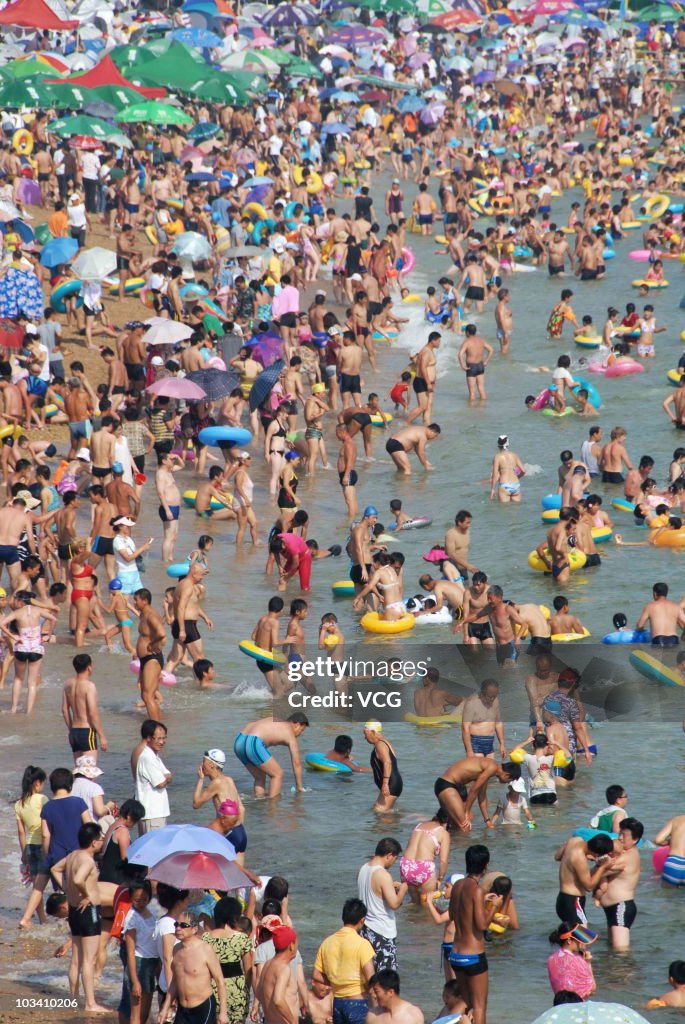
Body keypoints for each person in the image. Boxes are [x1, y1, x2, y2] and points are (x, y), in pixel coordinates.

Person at [50, 822, 106, 1013]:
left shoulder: (73, 855)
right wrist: (86, 894)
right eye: (100, 838)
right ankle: (90, 1003)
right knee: (89, 960)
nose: (102, 841)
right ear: (92, 842)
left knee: (76, 958)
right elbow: (77, 879)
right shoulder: (88, 860)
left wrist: (66, 889)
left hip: (74, 910)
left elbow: (55, 869)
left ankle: (73, 999)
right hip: (88, 911)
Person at [448, 845, 502, 1024]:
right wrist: (494, 905)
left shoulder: (457, 886)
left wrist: (479, 902)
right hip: (473, 956)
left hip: (455, 955)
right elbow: (481, 924)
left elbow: (453, 914)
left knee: (469, 1004)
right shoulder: (477, 890)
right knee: (479, 1006)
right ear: (485, 866)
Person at [312, 899, 376, 1024]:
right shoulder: (362, 944)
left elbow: (316, 974)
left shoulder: (327, 942)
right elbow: (370, 979)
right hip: (358, 1002)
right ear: (362, 920)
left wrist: (334, 982)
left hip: (337, 1002)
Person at [158, 911, 228, 1024]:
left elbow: (220, 981)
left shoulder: (205, 949)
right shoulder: (176, 949)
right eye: (176, 925)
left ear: (194, 929)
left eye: (183, 925)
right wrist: (166, 1007)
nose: (178, 928)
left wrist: (223, 1012)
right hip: (183, 1008)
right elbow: (175, 982)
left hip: (203, 1006)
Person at [357, 838, 407, 972]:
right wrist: (403, 889)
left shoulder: (364, 868)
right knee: (386, 978)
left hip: (365, 929)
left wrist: (391, 886)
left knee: (369, 975)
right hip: (382, 931)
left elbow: (375, 892)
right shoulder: (383, 875)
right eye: (394, 859)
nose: (393, 862)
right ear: (389, 855)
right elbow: (394, 904)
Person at [232, 713, 309, 798]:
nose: (300, 734)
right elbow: (296, 763)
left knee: (260, 777)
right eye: (301, 730)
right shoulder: (289, 731)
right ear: (296, 724)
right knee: (278, 774)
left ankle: (259, 803)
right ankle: (272, 808)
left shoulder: (273, 720)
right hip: (253, 742)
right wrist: (299, 787)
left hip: (239, 741)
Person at [434, 757, 520, 833]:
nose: (508, 783)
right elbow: (473, 790)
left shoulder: (490, 769)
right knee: (465, 827)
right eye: (510, 780)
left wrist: (487, 820)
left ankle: (449, 844)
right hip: (446, 785)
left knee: (458, 825)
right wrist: (466, 812)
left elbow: (482, 796)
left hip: (456, 787)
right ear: (506, 775)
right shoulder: (492, 767)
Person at [202, 897, 253, 1024]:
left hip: (211, 990)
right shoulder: (242, 938)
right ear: (235, 916)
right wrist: (246, 989)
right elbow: (249, 971)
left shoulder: (205, 938)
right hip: (237, 990)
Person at [595, 818, 643, 950]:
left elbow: (598, 872)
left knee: (620, 953)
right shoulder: (622, 852)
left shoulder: (628, 856)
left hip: (621, 907)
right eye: (619, 833)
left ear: (635, 839)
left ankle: (625, 971)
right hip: (613, 908)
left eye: (624, 835)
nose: (620, 838)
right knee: (612, 950)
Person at [553, 833, 614, 925]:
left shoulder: (575, 840)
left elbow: (557, 857)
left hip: (563, 899)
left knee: (571, 937)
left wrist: (586, 856)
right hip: (573, 901)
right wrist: (602, 867)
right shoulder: (579, 858)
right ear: (596, 854)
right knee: (584, 937)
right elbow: (589, 887)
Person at [61, 653, 108, 762]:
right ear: (89, 667)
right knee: (89, 772)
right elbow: (92, 713)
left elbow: (64, 710)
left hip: (74, 731)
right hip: (87, 731)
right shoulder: (89, 686)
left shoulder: (68, 684)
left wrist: (70, 730)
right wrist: (102, 736)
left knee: (78, 771)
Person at [399, 810, 451, 902]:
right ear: (446, 823)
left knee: (414, 903)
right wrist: (440, 879)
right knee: (427, 905)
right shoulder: (443, 833)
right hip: (423, 867)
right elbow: (443, 861)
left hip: (406, 864)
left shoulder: (418, 826)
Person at [134, 719, 171, 834]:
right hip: (152, 814)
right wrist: (167, 779)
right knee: (155, 849)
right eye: (159, 738)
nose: (162, 742)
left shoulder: (154, 755)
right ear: (149, 738)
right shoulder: (147, 757)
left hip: (156, 813)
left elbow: (168, 775)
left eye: (164, 738)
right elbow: (160, 783)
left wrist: (167, 778)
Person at [547, 922, 597, 1001]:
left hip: (559, 1004)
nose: (582, 942)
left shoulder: (551, 959)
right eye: (579, 939)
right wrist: (588, 963)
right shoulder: (578, 960)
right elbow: (592, 989)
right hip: (577, 1005)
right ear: (569, 940)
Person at [363, 721, 403, 812]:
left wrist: (385, 784)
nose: (364, 737)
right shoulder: (384, 742)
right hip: (392, 783)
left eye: (366, 734)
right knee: (382, 811)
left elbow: (387, 762)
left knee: (380, 812)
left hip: (390, 784)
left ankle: (417, 820)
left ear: (373, 732)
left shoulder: (380, 745)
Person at [460, 680, 505, 760]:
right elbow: (465, 727)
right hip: (476, 742)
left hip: (490, 742)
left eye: (494, 696)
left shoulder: (495, 701)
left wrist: (502, 744)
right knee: (479, 769)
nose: (492, 699)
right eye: (489, 696)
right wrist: (469, 751)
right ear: (482, 692)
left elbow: (498, 723)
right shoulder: (471, 703)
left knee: (491, 769)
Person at [636, 581, 685, 646]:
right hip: (674, 640)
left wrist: (641, 630)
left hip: (658, 640)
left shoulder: (649, 606)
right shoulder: (676, 607)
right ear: (666, 593)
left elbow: (640, 625)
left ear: (655, 594)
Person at [489, 436, 525, 503]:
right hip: (516, 485)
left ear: (498, 444)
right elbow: (523, 471)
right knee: (516, 511)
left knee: (504, 511)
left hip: (504, 485)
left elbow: (495, 474)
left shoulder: (497, 457)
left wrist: (492, 490)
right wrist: (518, 477)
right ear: (507, 444)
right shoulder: (514, 455)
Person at [654, 814, 685, 886]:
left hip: (673, 862)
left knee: (668, 895)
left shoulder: (677, 819)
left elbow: (658, 840)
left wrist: (672, 842)